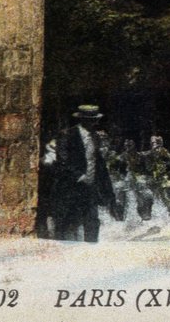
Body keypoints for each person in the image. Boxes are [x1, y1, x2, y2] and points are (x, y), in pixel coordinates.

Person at [46, 104, 115, 242]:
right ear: (82, 120)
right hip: (70, 187)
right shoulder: (67, 135)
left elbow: (99, 164)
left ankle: (91, 252)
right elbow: (63, 161)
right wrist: (79, 176)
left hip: (90, 188)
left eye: (95, 120)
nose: (94, 123)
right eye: (90, 120)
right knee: (66, 223)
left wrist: (107, 191)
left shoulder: (95, 137)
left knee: (92, 220)